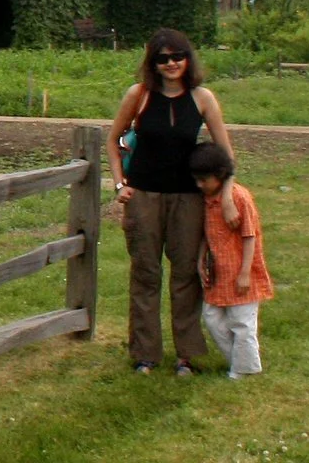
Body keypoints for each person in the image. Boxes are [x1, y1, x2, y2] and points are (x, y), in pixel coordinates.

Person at [102, 29, 236, 375]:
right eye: (163, 58)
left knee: (186, 274)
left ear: (188, 58)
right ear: (153, 63)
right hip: (144, 196)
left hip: (188, 198)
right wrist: (119, 184)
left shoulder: (203, 98)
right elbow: (113, 140)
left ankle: (187, 356)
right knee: (146, 273)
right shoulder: (140, 95)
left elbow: (225, 154)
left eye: (177, 56)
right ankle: (145, 355)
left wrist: (228, 196)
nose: (171, 63)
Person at [190, 142, 272, 379]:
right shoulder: (207, 200)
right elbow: (207, 232)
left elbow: (250, 236)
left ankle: (244, 369)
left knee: (242, 322)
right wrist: (200, 258)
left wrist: (245, 272)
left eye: (204, 180)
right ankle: (237, 360)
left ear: (220, 176)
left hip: (240, 272)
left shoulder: (239, 198)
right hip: (218, 273)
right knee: (212, 318)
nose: (199, 185)